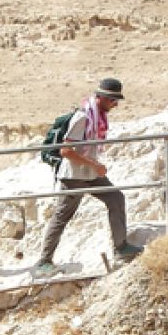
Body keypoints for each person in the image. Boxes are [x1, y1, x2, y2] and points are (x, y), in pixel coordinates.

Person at [33, 78, 142, 275]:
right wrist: (94, 164)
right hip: (74, 176)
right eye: (112, 100)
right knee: (62, 217)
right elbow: (66, 150)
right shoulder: (83, 118)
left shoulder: (97, 117)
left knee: (116, 198)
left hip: (90, 173)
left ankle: (120, 248)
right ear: (101, 98)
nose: (115, 105)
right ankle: (44, 261)